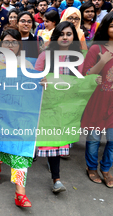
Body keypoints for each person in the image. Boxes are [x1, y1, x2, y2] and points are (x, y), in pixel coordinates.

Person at [0, 28, 34, 207]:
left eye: (14, 42)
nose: (10, 45)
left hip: (19, 119)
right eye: (6, 42)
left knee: (21, 154)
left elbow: (34, 91)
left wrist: (41, 83)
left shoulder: (27, 65)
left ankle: (20, 193)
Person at [35, 21, 83, 192]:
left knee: (57, 143)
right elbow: (35, 76)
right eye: (62, 34)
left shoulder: (77, 57)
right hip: (47, 105)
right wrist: (41, 80)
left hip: (66, 107)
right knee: (51, 141)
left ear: (73, 37)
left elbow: (80, 81)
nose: (65, 37)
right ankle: (56, 179)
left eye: (69, 34)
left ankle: (55, 175)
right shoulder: (45, 55)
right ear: (56, 36)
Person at [81, 11, 113, 187]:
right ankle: (91, 167)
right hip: (97, 100)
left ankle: (106, 168)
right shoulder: (97, 48)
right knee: (94, 138)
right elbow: (85, 73)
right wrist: (102, 62)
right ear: (106, 27)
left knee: (112, 140)